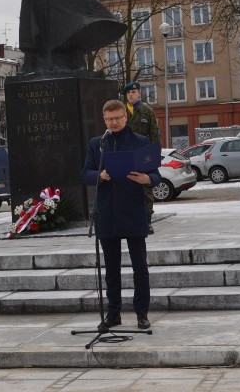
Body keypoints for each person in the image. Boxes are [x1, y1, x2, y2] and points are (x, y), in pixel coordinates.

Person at [81, 99, 161, 332]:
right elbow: (85, 174)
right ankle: (113, 314)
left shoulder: (140, 142)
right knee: (111, 269)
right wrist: (101, 175)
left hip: (133, 211)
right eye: (109, 119)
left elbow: (155, 174)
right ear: (104, 119)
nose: (114, 122)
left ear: (125, 118)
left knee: (140, 268)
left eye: (118, 118)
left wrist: (147, 179)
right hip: (107, 214)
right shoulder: (98, 144)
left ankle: (142, 314)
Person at [123, 81, 161, 234]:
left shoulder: (147, 111)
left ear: (139, 93)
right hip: (125, 155)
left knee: (146, 189)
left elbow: (154, 135)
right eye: (128, 93)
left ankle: (147, 221)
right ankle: (128, 220)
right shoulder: (122, 111)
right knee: (125, 187)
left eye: (133, 92)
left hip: (144, 155)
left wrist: (154, 156)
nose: (131, 95)